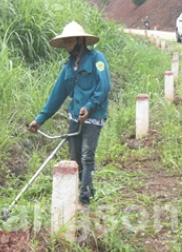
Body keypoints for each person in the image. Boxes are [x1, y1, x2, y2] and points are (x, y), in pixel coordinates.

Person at [28, 21, 111, 212]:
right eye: (65, 42)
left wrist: (89, 107)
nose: (67, 46)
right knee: (75, 159)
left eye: (70, 41)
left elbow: (104, 86)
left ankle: (85, 199)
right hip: (74, 118)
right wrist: (39, 119)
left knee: (87, 155)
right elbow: (56, 96)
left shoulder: (97, 59)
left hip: (93, 117)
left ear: (80, 41)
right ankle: (80, 191)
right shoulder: (67, 69)